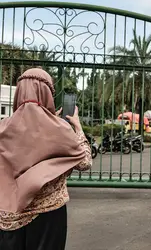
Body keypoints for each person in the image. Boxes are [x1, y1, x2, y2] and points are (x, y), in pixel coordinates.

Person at [0, 68, 92, 250]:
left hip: (8, 216)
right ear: (47, 94)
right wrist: (77, 127)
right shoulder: (60, 129)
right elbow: (85, 162)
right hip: (48, 216)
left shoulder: (3, 128)